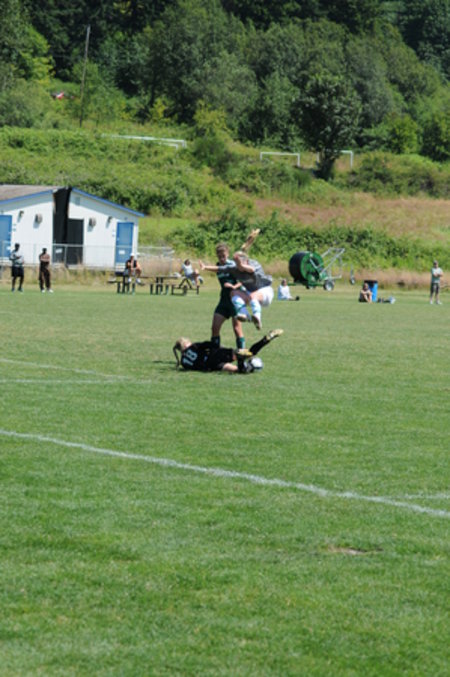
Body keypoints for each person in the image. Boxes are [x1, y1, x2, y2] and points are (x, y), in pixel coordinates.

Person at [199, 242, 246, 351]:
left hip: (235, 300)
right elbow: (218, 269)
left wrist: (234, 286)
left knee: (237, 329)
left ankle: (242, 354)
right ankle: (215, 354)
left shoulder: (232, 265)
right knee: (214, 328)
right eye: (219, 256)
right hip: (224, 301)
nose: (222, 258)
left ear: (228, 254)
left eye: (223, 256)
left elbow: (243, 280)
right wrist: (205, 267)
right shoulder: (219, 266)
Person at [173, 329, 283, 373]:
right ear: (185, 344)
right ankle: (266, 339)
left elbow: (194, 367)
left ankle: (243, 363)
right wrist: (219, 347)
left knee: (238, 371)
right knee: (250, 352)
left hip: (212, 366)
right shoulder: (193, 346)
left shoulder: (183, 362)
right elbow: (207, 344)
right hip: (215, 355)